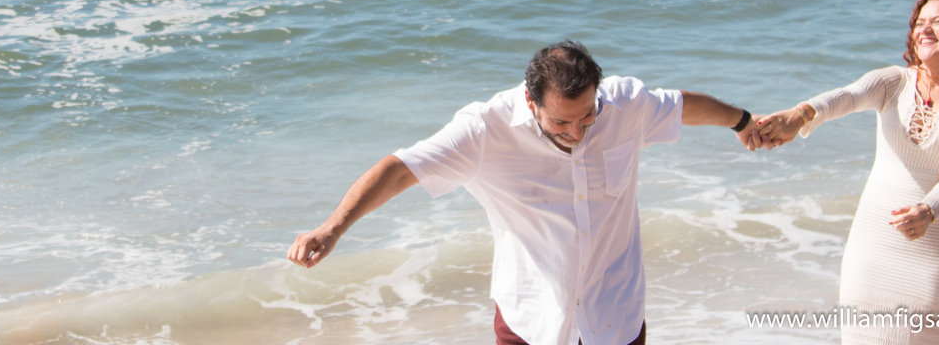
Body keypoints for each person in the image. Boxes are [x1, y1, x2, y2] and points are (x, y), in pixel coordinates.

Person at [287, 40, 765, 345]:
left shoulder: (624, 104)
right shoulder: (484, 130)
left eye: (587, 117)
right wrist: (334, 226)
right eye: (561, 121)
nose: (577, 132)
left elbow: (684, 107)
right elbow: (400, 169)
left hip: (615, 317)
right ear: (530, 100)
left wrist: (743, 122)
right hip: (531, 321)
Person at [756, 0, 939, 344]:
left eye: (937, 21)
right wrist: (800, 113)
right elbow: (848, 96)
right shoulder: (893, 82)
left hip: (935, 251)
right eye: (919, 22)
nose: (923, 29)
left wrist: (929, 210)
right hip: (872, 247)